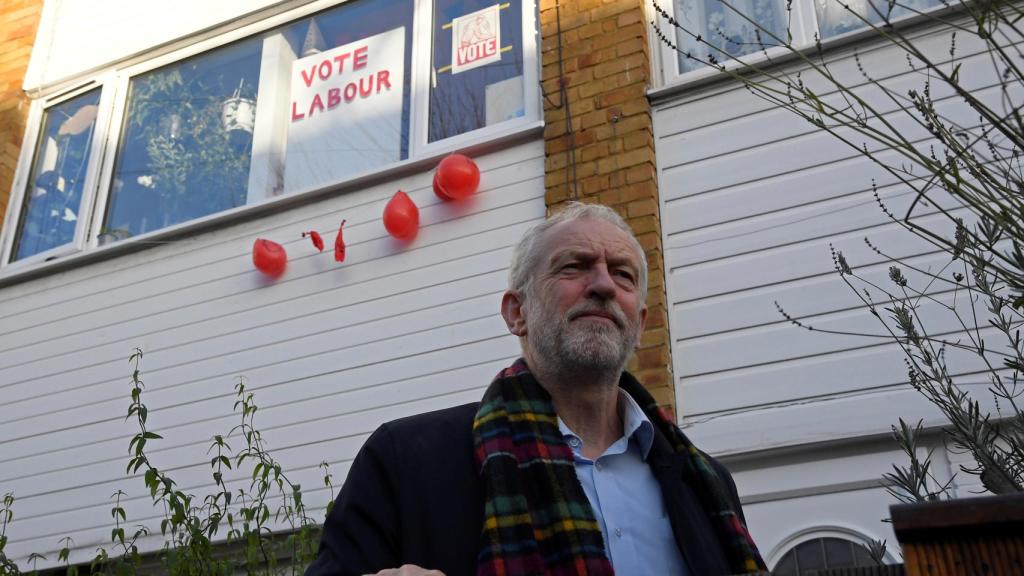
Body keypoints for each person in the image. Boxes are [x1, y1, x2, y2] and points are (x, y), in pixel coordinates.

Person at [305, 202, 766, 576]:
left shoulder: (705, 482)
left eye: (623, 274)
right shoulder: (404, 460)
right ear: (516, 313)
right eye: (575, 267)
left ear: (640, 323)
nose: (604, 285)